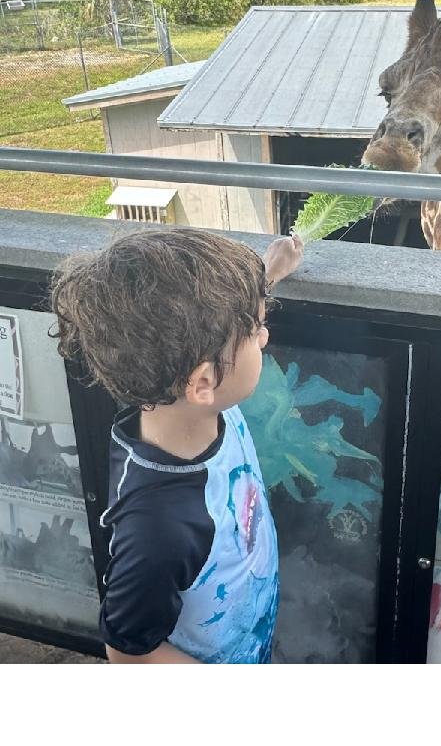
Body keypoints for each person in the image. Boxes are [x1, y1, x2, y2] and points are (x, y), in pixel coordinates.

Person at [50, 227, 303, 664]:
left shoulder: (185, 403)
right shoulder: (160, 527)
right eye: (256, 328)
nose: (264, 336)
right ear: (203, 381)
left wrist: (266, 274)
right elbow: (129, 652)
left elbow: (209, 322)